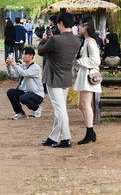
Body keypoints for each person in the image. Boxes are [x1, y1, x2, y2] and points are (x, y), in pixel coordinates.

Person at [38, 11, 80, 148]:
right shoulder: (76, 40)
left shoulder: (55, 40)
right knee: (60, 108)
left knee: (60, 109)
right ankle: (53, 136)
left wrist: (44, 39)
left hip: (54, 77)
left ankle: (66, 138)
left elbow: (41, 51)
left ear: (61, 23)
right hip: (66, 77)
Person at [73, 16, 101, 144]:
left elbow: (96, 60)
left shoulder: (90, 42)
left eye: (79, 25)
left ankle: (90, 131)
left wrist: (80, 61)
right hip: (84, 73)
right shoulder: (85, 41)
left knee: (85, 104)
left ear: (85, 26)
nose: (77, 27)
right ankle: (90, 131)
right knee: (81, 104)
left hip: (88, 75)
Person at [5, 46, 44, 120]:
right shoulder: (22, 66)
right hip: (26, 93)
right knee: (10, 92)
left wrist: (14, 65)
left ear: (31, 56)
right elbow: (13, 74)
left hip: (37, 94)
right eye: (23, 54)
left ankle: (37, 108)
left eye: (26, 54)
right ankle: (19, 112)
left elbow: (24, 73)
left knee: (23, 98)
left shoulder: (35, 67)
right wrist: (9, 66)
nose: (23, 56)